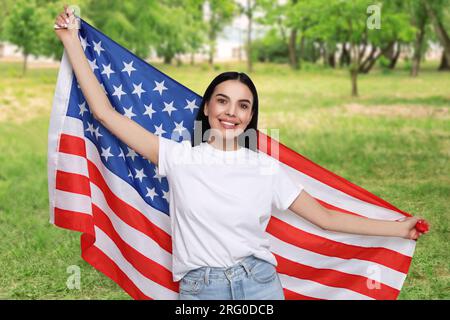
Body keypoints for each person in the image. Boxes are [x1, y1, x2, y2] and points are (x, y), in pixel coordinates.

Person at [54, 6, 426, 300]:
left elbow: (325, 218)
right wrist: (72, 40)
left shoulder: (265, 167)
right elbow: (105, 113)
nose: (232, 112)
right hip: (202, 288)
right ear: (207, 108)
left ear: (250, 116)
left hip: (261, 283)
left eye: (243, 106)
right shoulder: (179, 157)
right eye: (223, 101)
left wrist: (396, 228)